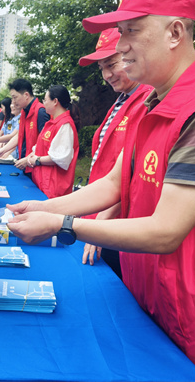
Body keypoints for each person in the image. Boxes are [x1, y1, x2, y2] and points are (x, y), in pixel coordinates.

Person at [7, 0, 195, 380]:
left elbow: (166, 231)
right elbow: (114, 183)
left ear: (175, 32)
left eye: (132, 31)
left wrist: (61, 224)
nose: (122, 46)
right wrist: (41, 205)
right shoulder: (153, 105)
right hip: (155, 300)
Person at [78, 28, 153, 277]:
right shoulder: (122, 100)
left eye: (112, 64)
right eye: (101, 68)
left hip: (118, 225)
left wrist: (101, 224)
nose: (107, 75)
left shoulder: (148, 102)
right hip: (102, 218)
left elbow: (131, 178)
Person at [23, 85, 79, 199]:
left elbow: (61, 158)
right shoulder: (51, 123)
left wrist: (37, 160)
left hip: (53, 187)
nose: (44, 103)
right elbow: (40, 147)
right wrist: (32, 156)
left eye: (45, 99)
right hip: (43, 182)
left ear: (55, 101)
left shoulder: (64, 124)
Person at [0, 79, 50, 177]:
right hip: (25, 165)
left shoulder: (40, 112)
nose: (13, 102)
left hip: (36, 168)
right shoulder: (24, 112)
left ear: (26, 95)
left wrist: (28, 159)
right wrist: (3, 150)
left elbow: (44, 143)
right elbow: (20, 135)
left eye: (15, 97)